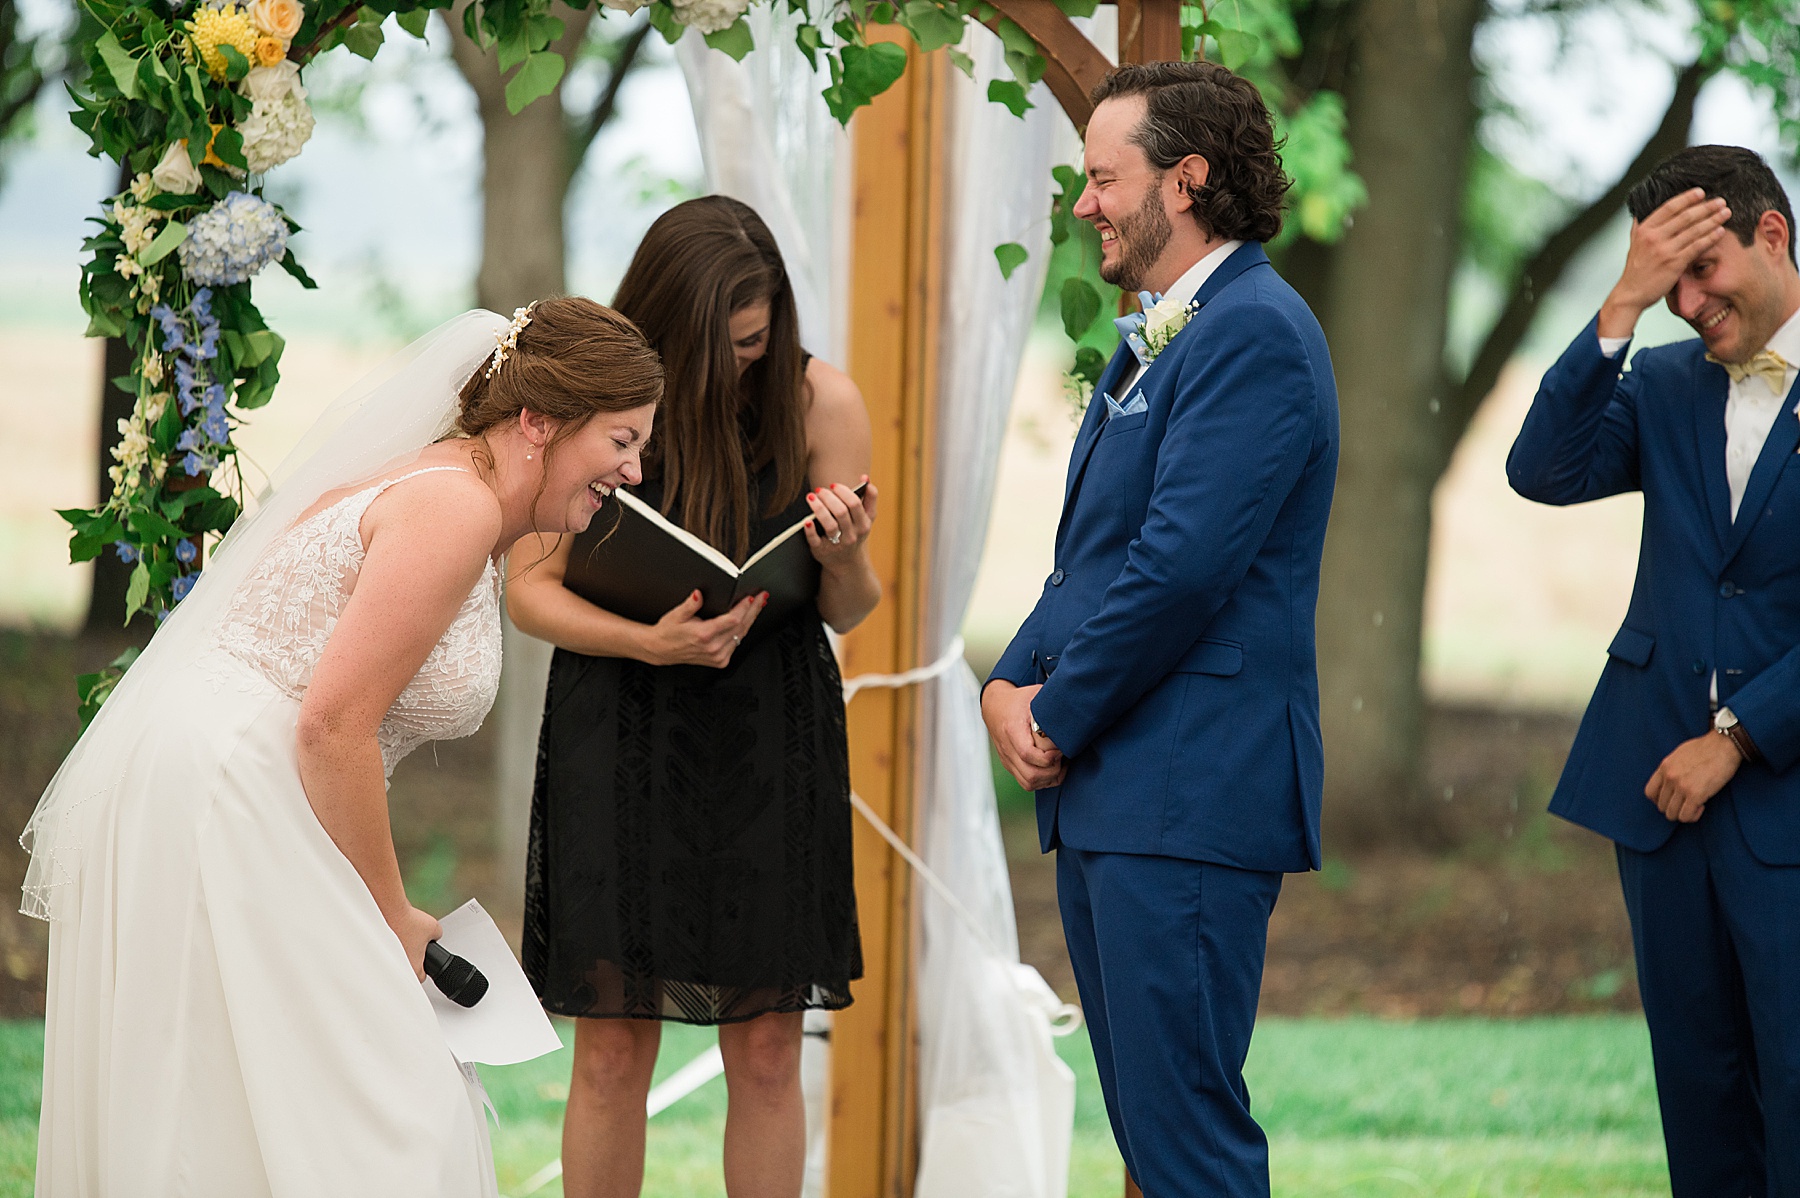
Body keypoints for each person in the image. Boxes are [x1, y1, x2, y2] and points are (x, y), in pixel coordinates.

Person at [23, 298, 662, 1197]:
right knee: (391, 1103)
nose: (633, 473)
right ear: (537, 422)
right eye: (622, 442)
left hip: (242, 773)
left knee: (257, 1091)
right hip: (238, 786)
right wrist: (392, 915)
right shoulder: (456, 508)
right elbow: (332, 725)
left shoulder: (448, 484)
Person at [981, 62, 1338, 1198]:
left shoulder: (1257, 335)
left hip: (1189, 787)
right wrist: (1007, 682)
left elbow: (1180, 570)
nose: (1083, 204)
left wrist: (1060, 711)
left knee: (1185, 1141)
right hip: (1128, 789)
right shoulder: (1163, 332)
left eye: (1102, 177)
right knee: (1147, 1130)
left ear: (1185, 181)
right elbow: (1097, 555)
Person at [506, 195, 880, 1198]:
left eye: (754, 341)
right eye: (711, 347)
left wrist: (844, 557)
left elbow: (853, 610)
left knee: (766, 1052)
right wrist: (650, 642)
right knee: (613, 1050)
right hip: (620, 729)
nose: (735, 365)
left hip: (771, 734)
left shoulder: (820, 404)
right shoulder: (595, 401)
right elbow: (528, 590)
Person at [1507, 145, 1800, 1196]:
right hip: (1660, 814)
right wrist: (1619, 308)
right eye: (1665, 277)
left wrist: (1738, 737)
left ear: (1772, 234)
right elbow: (1542, 469)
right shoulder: (1665, 377)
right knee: (1700, 1101)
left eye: (1700, 269)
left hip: (1784, 799)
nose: (1688, 301)